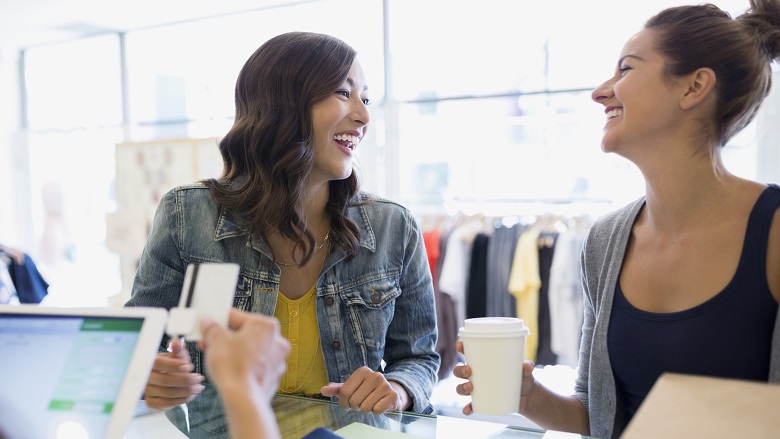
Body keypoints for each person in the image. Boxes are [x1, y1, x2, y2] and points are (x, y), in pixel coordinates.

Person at [454, 1, 780, 438]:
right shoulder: (605, 242)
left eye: (626, 69)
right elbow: (598, 412)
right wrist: (527, 397)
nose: (600, 92)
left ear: (694, 87)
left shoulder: (773, 232)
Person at [125, 31, 440, 416]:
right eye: (344, 93)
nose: (363, 115)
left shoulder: (394, 227)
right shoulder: (187, 217)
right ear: (282, 104)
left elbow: (419, 358)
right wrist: (151, 374)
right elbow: (138, 348)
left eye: (366, 98)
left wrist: (398, 389)